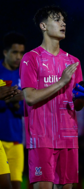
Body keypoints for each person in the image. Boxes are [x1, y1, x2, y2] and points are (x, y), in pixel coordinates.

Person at [20, 6, 84, 189]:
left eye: (64, 20)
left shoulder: (74, 62)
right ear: (43, 26)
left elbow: (76, 103)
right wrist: (61, 82)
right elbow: (29, 97)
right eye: (57, 20)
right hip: (41, 138)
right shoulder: (30, 59)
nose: (63, 23)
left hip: (68, 137)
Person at [0, 32, 25, 189]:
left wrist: (17, 104)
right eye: (15, 52)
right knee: (5, 185)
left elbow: (26, 108)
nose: (18, 57)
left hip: (16, 138)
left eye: (21, 53)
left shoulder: (24, 75)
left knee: (16, 186)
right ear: (5, 52)